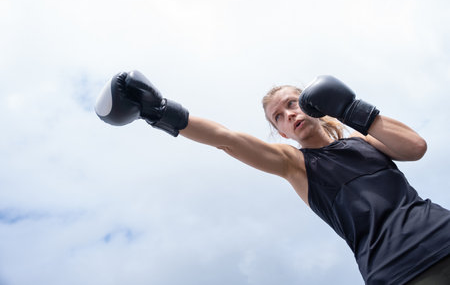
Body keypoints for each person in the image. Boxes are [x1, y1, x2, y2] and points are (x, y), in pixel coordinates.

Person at [95, 70, 450, 285]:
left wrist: (350, 108)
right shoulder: (294, 164)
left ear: (313, 104)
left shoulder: (360, 138)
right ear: (280, 133)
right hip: (402, 270)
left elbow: (416, 147)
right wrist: (159, 111)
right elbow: (226, 139)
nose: (288, 115)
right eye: (278, 116)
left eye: (293, 103)